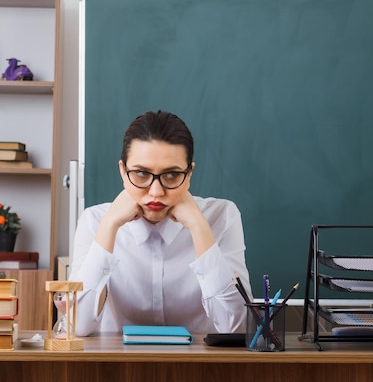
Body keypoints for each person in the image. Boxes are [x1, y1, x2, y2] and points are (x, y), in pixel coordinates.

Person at [69, 110, 252, 336]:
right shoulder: (94, 221)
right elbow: (77, 326)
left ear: (189, 173)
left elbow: (236, 328)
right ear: (123, 172)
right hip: (117, 368)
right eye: (141, 174)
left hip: (202, 369)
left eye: (172, 175)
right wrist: (109, 226)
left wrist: (198, 226)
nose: (156, 192)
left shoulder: (222, 216)